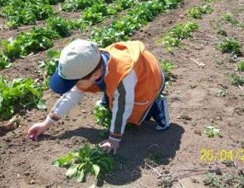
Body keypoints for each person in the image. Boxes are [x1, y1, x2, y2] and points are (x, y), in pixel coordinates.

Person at [28, 39, 170, 154]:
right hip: (120, 79)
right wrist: (46, 124)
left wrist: (114, 139)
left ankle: (158, 107)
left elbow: (123, 108)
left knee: (136, 113)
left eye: (74, 82)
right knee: (112, 97)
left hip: (149, 77)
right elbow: (72, 95)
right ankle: (109, 99)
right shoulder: (92, 64)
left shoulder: (122, 77)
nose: (72, 86)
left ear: (95, 75)